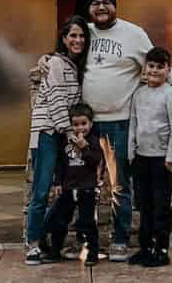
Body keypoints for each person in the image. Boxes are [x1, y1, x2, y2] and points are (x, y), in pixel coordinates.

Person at [81, 0, 172, 263]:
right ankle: (87, 242)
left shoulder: (134, 33)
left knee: (119, 186)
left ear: (115, 5)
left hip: (119, 122)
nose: (101, 7)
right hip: (87, 125)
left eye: (106, 2)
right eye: (95, 4)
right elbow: (63, 57)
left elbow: (159, 63)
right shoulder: (85, 33)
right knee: (84, 185)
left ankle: (119, 239)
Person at [25, 15, 89, 267]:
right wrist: (69, 132)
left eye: (82, 36)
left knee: (66, 191)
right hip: (49, 133)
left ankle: (45, 235)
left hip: (66, 136)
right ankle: (32, 244)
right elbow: (55, 99)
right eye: (73, 35)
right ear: (63, 38)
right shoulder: (54, 63)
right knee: (41, 191)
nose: (78, 40)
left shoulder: (75, 65)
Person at [128, 47, 172, 268]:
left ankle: (161, 248)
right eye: (151, 66)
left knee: (161, 205)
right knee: (144, 205)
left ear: (168, 70)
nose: (155, 70)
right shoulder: (138, 94)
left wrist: (171, 158)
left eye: (160, 67)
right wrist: (131, 152)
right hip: (141, 157)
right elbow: (133, 122)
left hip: (162, 160)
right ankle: (145, 247)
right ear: (145, 68)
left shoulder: (171, 94)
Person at [40, 102, 102, 265]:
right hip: (68, 188)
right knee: (60, 220)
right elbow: (60, 164)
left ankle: (92, 253)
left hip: (86, 189)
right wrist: (58, 182)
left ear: (91, 124)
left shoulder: (94, 141)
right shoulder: (66, 142)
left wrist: (84, 148)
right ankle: (55, 250)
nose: (80, 128)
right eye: (75, 124)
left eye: (84, 124)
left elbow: (94, 162)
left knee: (87, 222)